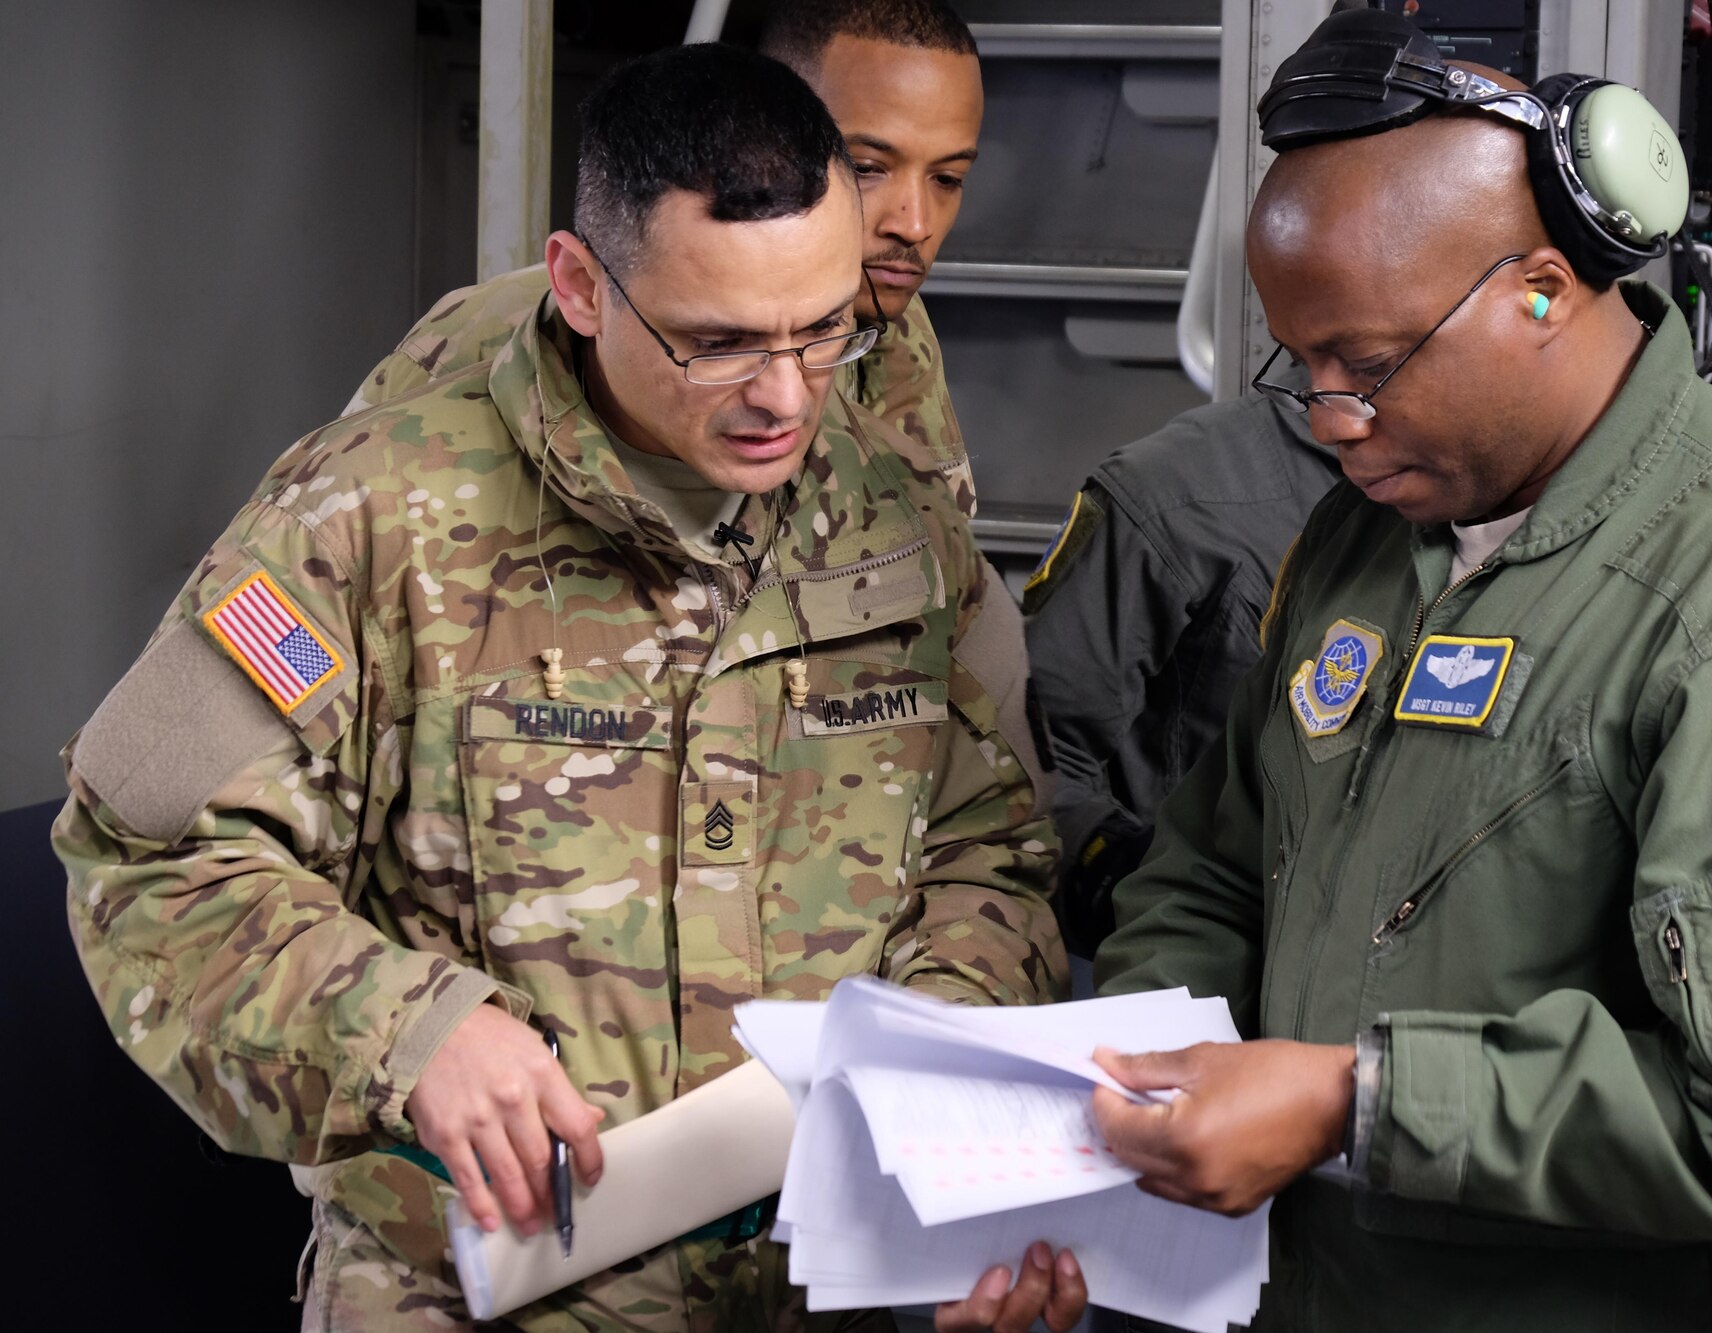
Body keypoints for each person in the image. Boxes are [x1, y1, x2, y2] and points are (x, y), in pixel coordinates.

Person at [947, 12, 1712, 1331]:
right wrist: (1149, 1071)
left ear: (1543, 291)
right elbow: (1218, 855)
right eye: (1301, 365)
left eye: (1369, 366)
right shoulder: (1368, 542)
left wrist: (1352, 1102)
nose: (1329, 421)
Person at [57, 44, 1064, 1332]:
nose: (781, 395)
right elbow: (144, 861)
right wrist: (406, 1032)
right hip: (476, 1293)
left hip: (832, 1290)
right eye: (717, 343)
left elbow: (993, 851)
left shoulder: (899, 524)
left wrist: (936, 1061)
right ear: (582, 287)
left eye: (823, 331)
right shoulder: (373, 516)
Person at [350, 0, 983, 517]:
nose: (915, 224)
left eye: (948, 178)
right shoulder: (487, 342)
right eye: (866, 168)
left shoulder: (898, 331)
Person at [1022, 385, 1335, 957]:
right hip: (1209, 959)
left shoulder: (1525, 507)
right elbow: (1031, 751)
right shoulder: (1180, 492)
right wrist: (1129, 884)